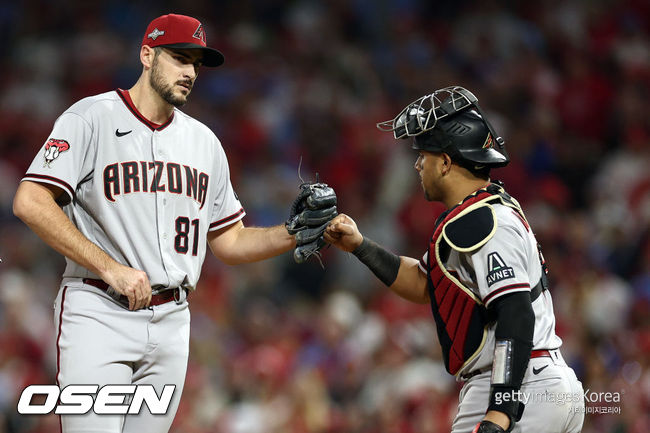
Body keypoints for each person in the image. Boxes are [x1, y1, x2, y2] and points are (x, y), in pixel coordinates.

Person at [12, 13, 335, 433]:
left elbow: (230, 241)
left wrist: (290, 233)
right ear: (147, 54)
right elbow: (30, 200)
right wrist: (109, 266)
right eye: (179, 58)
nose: (189, 72)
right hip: (98, 308)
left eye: (196, 64)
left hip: (172, 320)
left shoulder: (205, 143)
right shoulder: (91, 117)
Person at [325, 86, 585, 433]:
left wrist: (501, 410)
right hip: (538, 382)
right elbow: (423, 284)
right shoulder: (480, 212)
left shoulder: (481, 221)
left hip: (520, 387)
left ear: (446, 162)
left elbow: (515, 310)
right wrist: (360, 246)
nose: (417, 164)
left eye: (424, 154)